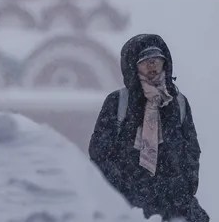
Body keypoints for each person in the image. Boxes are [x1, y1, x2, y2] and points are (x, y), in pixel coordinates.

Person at [89, 34, 209, 221]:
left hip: (172, 203)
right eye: (145, 61)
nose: (152, 66)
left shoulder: (178, 103)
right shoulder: (118, 102)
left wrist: (183, 187)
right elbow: (99, 152)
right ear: (133, 66)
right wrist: (121, 190)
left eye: (156, 60)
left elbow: (191, 150)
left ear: (165, 63)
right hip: (127, 203)